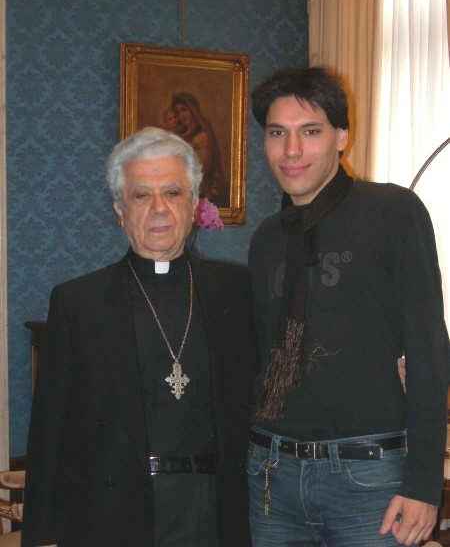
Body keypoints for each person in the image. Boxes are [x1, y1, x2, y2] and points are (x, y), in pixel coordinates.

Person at [22, 127, 256, 547]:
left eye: (173, 193)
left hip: (216, 513)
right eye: (141, 196)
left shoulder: (236, 291)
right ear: (120, 211)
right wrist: (43, 535)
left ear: (194, 205)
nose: (159, 209)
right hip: (112, 516)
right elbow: (50, 430)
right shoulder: (79, 302)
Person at [247, 67, 449, 547]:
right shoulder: (267, 238)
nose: (291, 150)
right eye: (277, 133)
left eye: (310, 132)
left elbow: (428, 348)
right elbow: (259, 355)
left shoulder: (393, 213)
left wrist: (423, 485)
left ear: (342, 137)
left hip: (368, 478)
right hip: (272, 474)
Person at [170, 92, 227, 206]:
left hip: (201, 189)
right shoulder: (181, 134)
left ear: (193, 110)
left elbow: (203, 168)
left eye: (184, 110)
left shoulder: (201, 137)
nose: (181, 115)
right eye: (178, 112)